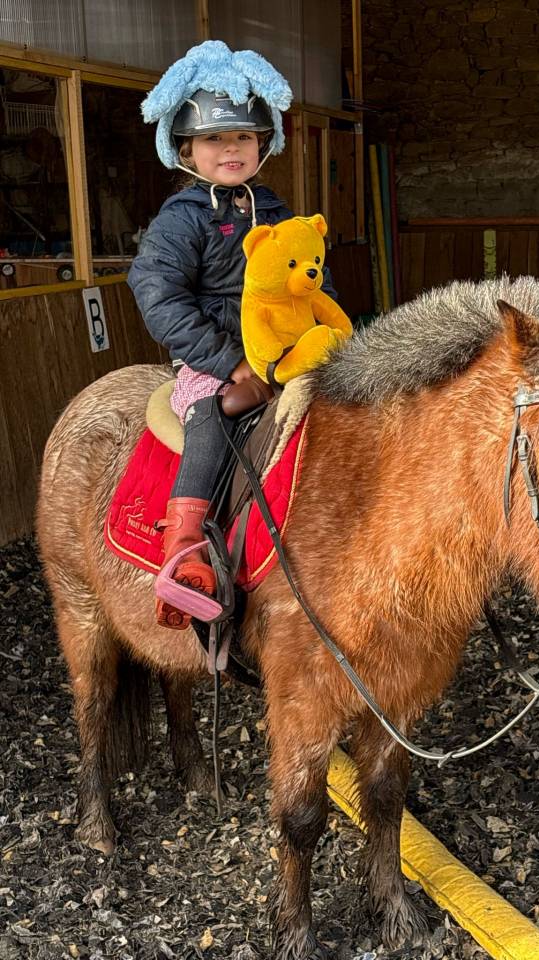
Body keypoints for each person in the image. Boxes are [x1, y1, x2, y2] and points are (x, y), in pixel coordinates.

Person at [127, 41, 338, 630]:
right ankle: (185, 549)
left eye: (243, 137)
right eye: (216, 139)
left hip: (287, 352)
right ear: (186, 148)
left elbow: (310, 283)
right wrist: (226, 361)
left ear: (262, 143)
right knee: (212, 419)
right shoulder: (181, 220)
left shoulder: (276, 212)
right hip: (216, 361)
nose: (231, 149)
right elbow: (160, 298)